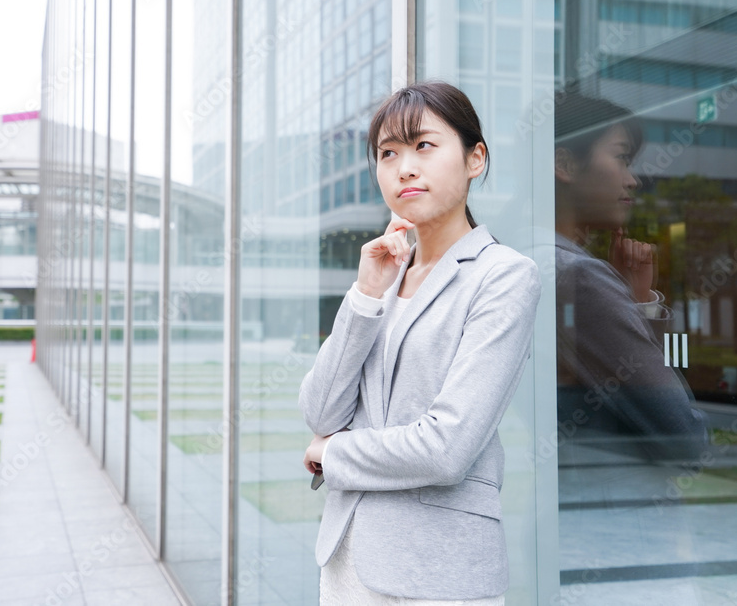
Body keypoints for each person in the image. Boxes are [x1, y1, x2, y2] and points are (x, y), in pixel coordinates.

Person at [299, 81, 541, 604]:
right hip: (344, 564)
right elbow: (320, 411)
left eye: (424, 146)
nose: (404, 168)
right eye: (388, 153)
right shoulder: (386, 274)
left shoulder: (503, 276)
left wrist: (333, 452)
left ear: (475, 158)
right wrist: (366, 295)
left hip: (438, 573)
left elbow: (446, 448)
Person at [553, 91, 708, 463]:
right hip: (613, 493)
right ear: (565, 165)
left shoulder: (522, 256)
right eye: (622, 158)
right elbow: (684, 435)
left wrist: (630, 301)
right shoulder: (579, 276)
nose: (633, 180)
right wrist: (634, 305)